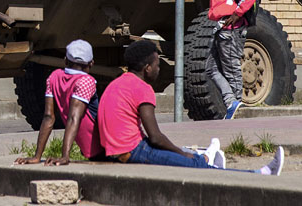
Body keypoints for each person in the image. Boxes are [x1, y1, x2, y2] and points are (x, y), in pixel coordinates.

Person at [98, 39, 283, 174]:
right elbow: (155, 137)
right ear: (147, 68)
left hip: (115, 150)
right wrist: (180, 154)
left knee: (187, 157)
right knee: (195, 166)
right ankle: (260, 174)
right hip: (130, 152)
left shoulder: (117, 83)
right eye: (156, 65)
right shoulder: (142, 89)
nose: (159, 68)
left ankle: (204, 157)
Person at [178, 0, 259, 120]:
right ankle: (231, 103)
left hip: (231, 31)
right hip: (221, 28)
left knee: (231, 71)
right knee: (209, 68)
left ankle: (237, 111)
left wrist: (238, 12)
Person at [14, 40, 104, 166]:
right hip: (103, 148)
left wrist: (37, 156)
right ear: (91, 64)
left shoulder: (54, 77)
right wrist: (65, 156)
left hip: (96, 149)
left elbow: (48, 117)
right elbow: (73, 118)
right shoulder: (86, 81)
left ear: (65, 61)